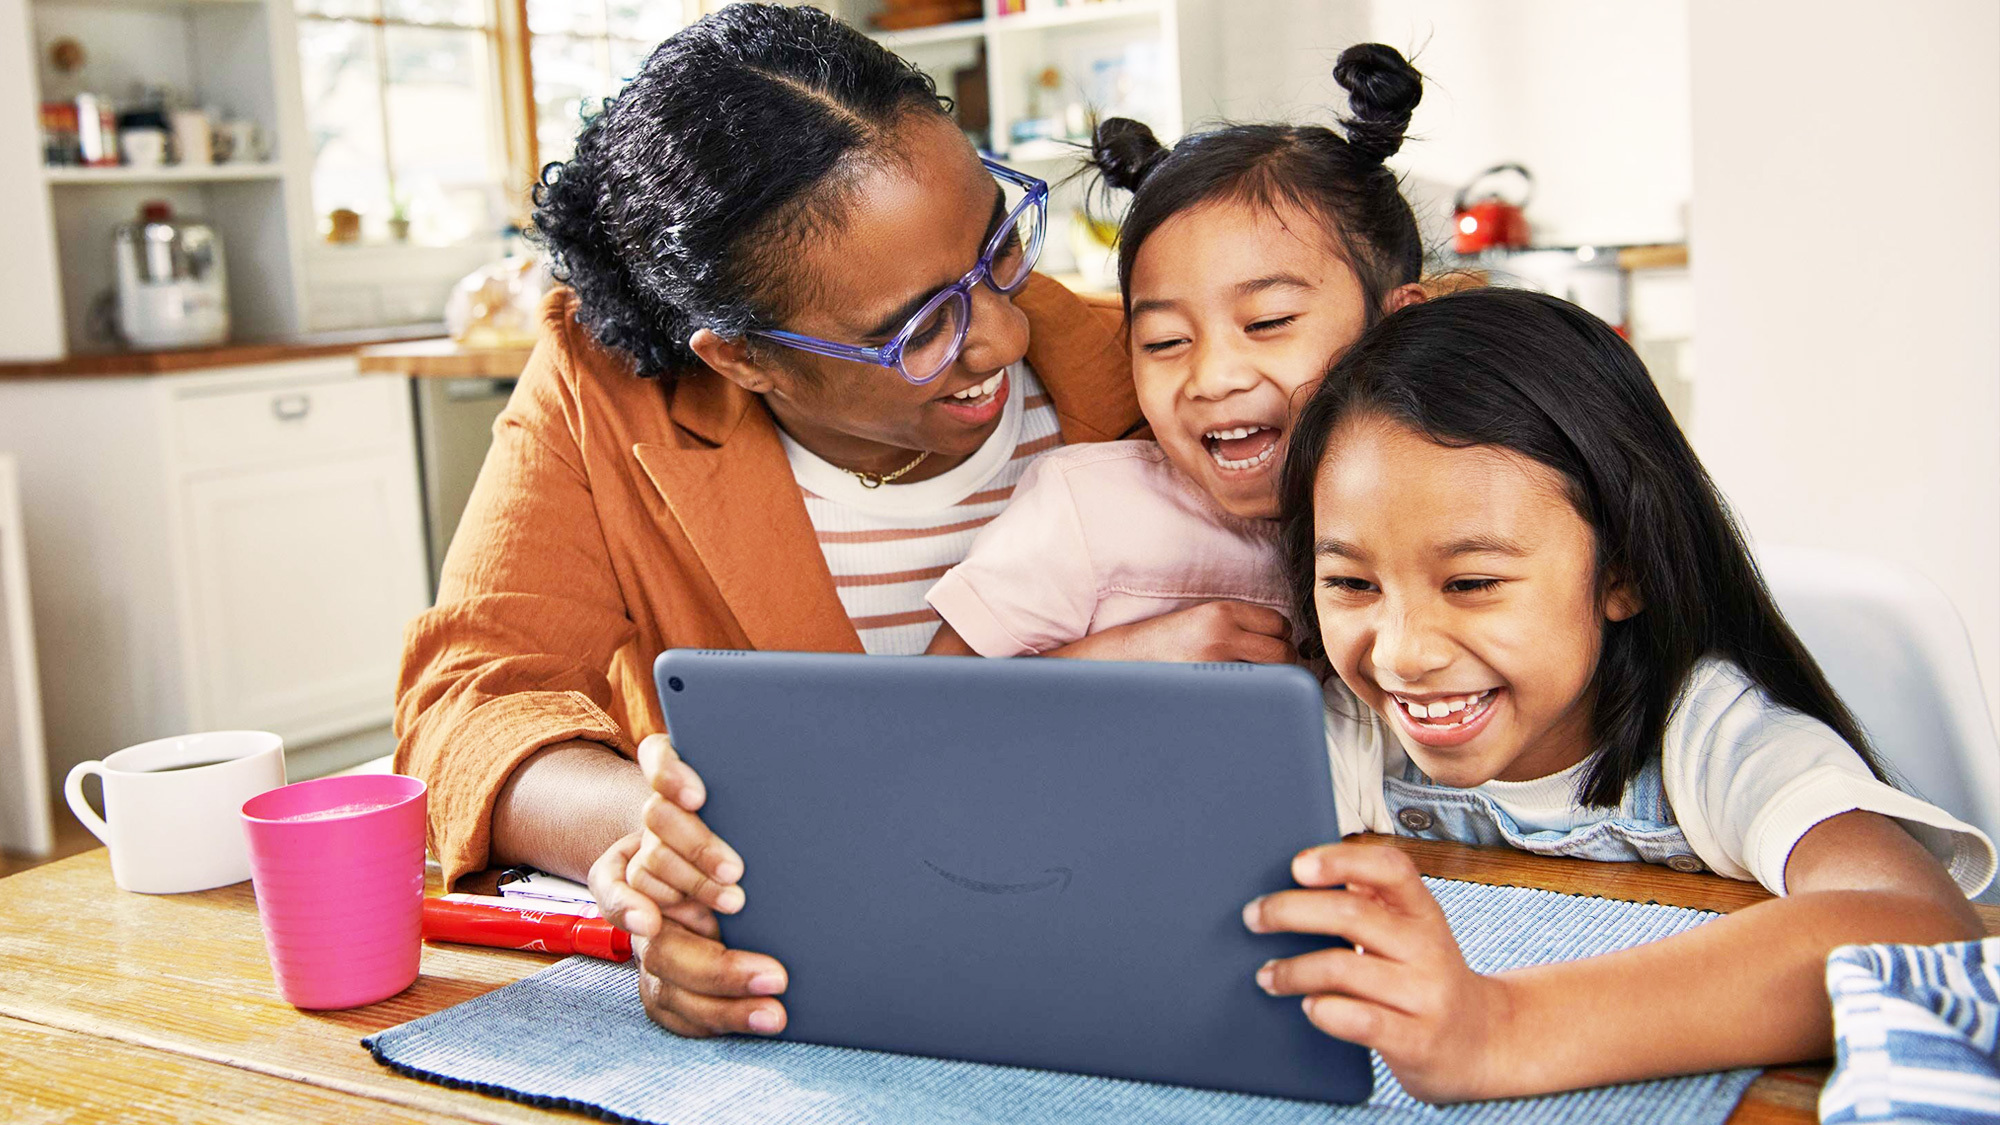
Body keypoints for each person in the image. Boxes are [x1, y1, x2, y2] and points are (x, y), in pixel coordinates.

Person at [395, 5, 1270, 1037]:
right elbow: (466, 705)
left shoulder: (1160, 366)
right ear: (741, 358)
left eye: (995, 244)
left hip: (1149, 952)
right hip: (840, 1007)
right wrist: (663, 846)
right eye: (913, 329)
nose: (1001, 331)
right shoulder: (604, 395)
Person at [1249, 286, 1994, 1101]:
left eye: (1471, 582)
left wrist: (1500, 1026)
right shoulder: (1347, 732)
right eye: (1352, 582)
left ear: (1624, 569)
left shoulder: (1712, 736)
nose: (1402, 651)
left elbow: (1920, 931)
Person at [922, 44, 1427, 658]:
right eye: (1165, 342)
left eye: (1267, 323)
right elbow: (940, 710)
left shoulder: (1455, 495)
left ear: (1396, 326)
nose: (1210, 378)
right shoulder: (1089, 512)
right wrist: (1137, 653)